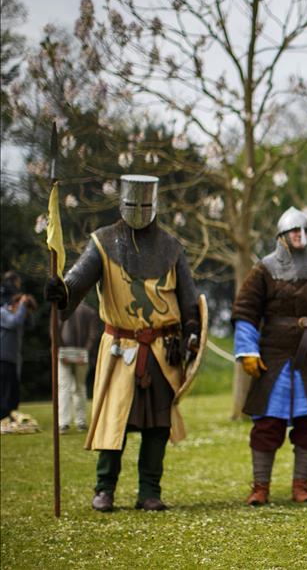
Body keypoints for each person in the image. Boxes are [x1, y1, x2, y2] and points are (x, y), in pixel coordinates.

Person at [45, 174, 201, 512]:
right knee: (113, 420)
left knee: (158, 425)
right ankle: (105, 488)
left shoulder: (172, 248)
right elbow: (78, 281)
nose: (140, 210)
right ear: (123, 203)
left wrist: (192, 332)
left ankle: (149, 491)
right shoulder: (103, 242)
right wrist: (62, 291)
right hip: (121, 349)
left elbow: (188, 300)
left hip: (163, 350)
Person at [231, 206, 307, 506]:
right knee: (267, 423)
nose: (298, 236)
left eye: (302, 231)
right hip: (273, 355)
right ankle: (260, 487)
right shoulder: (262, 269)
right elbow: (246, 311)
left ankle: (301, 485)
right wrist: (248, 350)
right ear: (281, 236)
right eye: (293, 232)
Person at [1, 271, 37, 433]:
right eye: (21, 308)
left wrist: (26, 305)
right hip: (3, 359)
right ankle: (3, 419)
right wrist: (22, 303)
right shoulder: (3, 312)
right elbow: (14, 322)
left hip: (14, 360)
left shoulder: (18, 313)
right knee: (5, 393)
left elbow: (30, 323)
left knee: (13, 394)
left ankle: (9, 419)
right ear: (14, 305)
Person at [57, 300, 100, 432]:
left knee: (64, 387)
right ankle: (81, 422)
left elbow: (55, 332)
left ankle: (64, 423)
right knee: (80, 387)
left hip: (64, 353)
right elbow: (93, 336)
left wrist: (61, 350)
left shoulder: (62, 310)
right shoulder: (90, 312)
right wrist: (85, 352)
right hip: (82, 354)